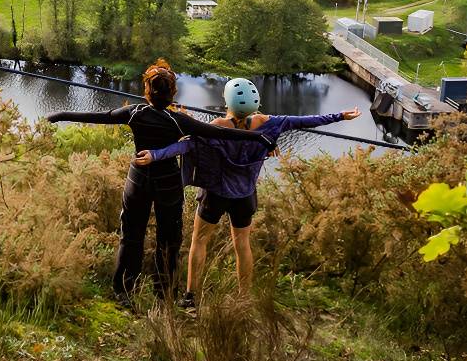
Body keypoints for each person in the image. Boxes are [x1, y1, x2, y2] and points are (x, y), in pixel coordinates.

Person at [46, 61, 271, 301]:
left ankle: (124, 292)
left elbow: (99, 116)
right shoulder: (179, 121)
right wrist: (260, 139)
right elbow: (220, 132)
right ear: (173, 93)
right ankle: (164, 294)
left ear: (147, 90)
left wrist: (60, 114)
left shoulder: (134, 112)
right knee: (169, 240)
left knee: (131, 234)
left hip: (138, 180)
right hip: (168, 183)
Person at [133, 77, 360, 309]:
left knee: (199, 241)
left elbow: (187, 145)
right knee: (242, 244)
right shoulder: (269, 124)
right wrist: (340, 115)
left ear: (227, 100)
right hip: (245, 195)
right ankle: (243, 298)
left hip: (215, 194)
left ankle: (191, 297)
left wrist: (155, 154)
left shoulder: (217, 126)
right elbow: (306, 121)